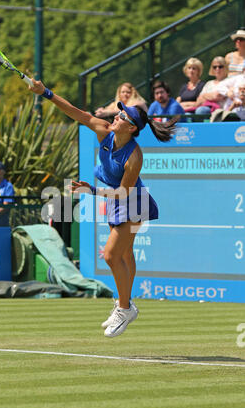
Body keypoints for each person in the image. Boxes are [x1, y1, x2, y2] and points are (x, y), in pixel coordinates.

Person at [29, 78, 177, 338]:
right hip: (115, 199)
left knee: (110, 255)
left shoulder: (134, 156)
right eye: (119, 112)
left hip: (132, 200)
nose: (117, 116)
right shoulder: (104, 131)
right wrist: (45, 92)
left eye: (123, 116)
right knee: (126, 255)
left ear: (131, 128)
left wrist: (92, 191)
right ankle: (126, 304)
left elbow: (123, 193)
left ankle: (124, 308)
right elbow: (76, 113)